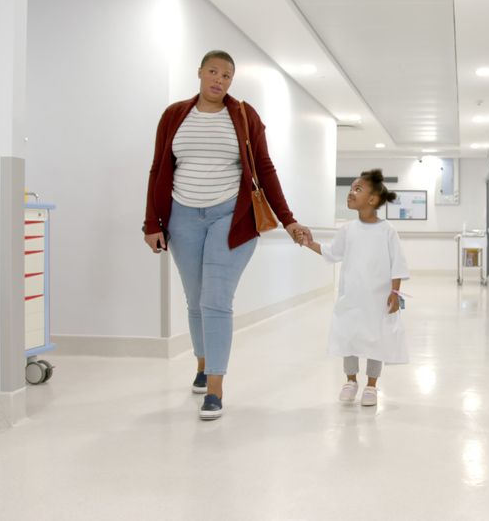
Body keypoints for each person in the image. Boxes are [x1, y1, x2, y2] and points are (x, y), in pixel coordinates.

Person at [143, 49, 312, 420]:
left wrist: (289, 220)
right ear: (200, 73)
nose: (219, 80)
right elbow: (159, 167)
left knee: (216, 299)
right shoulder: (175, 115)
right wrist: (151, 223)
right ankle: (203, 364)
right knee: (195, 299)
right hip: (181, 216)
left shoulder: (243, 115)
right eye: (214, 72)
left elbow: (264, 169)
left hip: (230, 216)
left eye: (227, 76)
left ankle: (215, 388)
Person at [301, 169, 409, 406]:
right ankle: (350, 380)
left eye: (357, 189)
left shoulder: (387, 231)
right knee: (348, 337)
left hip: (377, 299)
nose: (350, 193)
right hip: (351, 297)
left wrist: (395, 293)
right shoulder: (347, 229)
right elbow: (332, 252)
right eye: (351, 188)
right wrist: (309, 244)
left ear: (372, 200)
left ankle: (371, 385)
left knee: (374, 340)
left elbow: (397, 264)